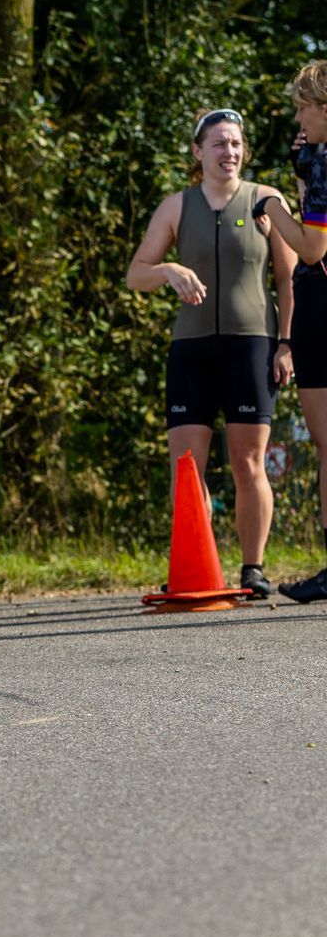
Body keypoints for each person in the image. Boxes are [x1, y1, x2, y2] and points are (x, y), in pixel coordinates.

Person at [127, 107, 298, 598]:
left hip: (252, 346)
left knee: (248, 463)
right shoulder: (176, 206)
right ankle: (197, 564)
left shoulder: (266, 200)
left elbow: (289, 280)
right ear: (198, 151)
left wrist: (286, 344)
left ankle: (253, 568)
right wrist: (169, 270)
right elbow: (137, 274)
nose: (230, 152)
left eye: (237, 143)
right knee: (186, 465)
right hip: (192, 350)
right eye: (220, 143)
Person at [254, 61, 327, 600]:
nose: (298, 118)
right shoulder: (318, 161)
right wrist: (303, 173)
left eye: (304, 108)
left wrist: (273, 204)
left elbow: (311, 247)